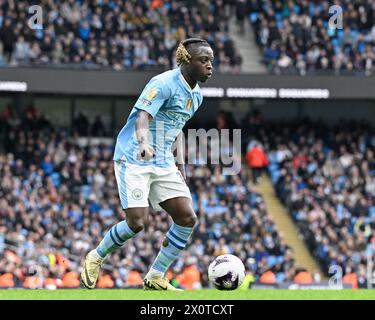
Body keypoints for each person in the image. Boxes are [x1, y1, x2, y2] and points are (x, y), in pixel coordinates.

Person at [80, 38, 214, 291]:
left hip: (163, 161)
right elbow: (143, 116)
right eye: (204, 60)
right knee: (137, 223)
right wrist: (143, 142)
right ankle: (96, 256)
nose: (210, 67)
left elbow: (177, 129)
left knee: (186, 217)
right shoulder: (163, 83)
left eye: (211, 61)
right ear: (187, 61)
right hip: (135, 157)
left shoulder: (196, 96)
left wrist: (180, 164)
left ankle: (155, 276)